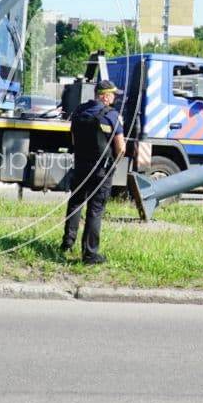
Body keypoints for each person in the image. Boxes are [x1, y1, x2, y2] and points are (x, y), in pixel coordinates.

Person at [62, 80, 125, 265]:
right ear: (104, 96)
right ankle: (90, 254)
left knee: (75, 203)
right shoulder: (111, 115)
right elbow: (121, 148)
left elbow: (73, 139)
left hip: (80, 165)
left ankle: (67, 243)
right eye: (113, 95)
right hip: (101, 170)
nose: (114, 98)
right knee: (95, 210)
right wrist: (113, 164)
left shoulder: (79, 111)